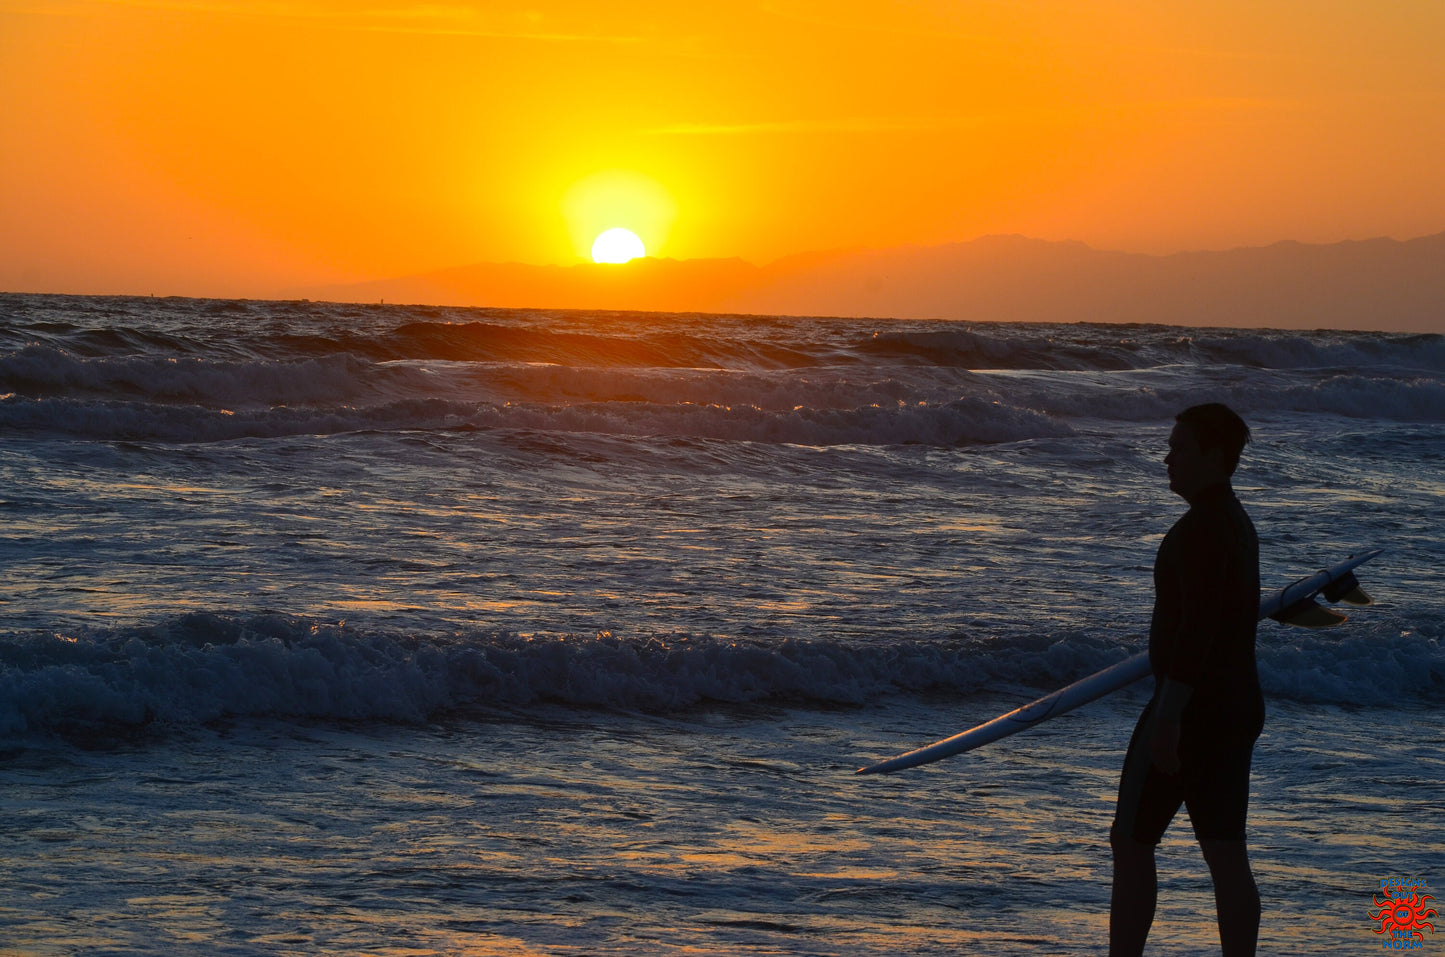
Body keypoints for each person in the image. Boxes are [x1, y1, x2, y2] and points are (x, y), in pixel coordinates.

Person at [1110, 403, 1264, 956]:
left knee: (1130, 843)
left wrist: (1169, 717)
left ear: (1215, 457)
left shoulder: (1203, 529)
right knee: (1225, 853)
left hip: (1191, 708)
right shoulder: (1235, 524)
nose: (1167, 458)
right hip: (1234, 705)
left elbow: (1197, 633)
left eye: (1179, 447)